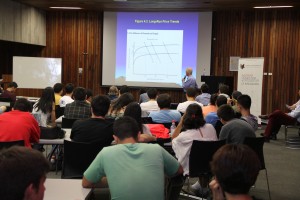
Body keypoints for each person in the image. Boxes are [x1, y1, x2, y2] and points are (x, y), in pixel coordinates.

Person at [82, 116, 183, 199]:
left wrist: (112, 178)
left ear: (115, 138)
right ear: (139, 135)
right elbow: (179, 170)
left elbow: (86, 182)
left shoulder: (106, 152)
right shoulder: (156, 149)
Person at [172, 104, 217, 196]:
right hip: (212, 165)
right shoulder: (211, 128)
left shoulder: (184, 136)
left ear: (186, 118)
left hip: (192, 168)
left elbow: (173, 140)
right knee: (203, 156)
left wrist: (180, 123)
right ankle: (202, 187)